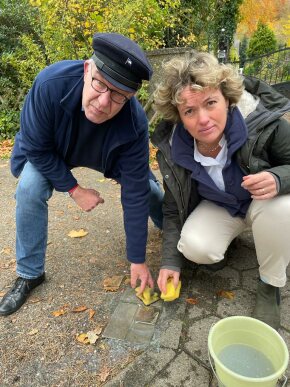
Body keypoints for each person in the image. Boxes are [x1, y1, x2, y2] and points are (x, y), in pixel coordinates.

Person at [0, 32, 163, 317]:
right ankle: (30, 274)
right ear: (88, 69)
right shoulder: (50, 83)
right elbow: (36, 149)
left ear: (132, 96)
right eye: (99, 84)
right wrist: (75, 190)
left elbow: (135, 192)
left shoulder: (135, 123)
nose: (103, 102)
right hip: (53, 151)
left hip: (107, 156)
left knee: (150, 191)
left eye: (118, 96)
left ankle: (173, 234)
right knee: (29, 187)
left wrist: (137, 259)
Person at [152, 51, 290, 330]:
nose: (202, 119)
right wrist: (170, 262)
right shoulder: (173, 148)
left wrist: (278, 178)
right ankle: (231, 240)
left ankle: (269, 284)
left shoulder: (264, 123)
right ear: (178, 116)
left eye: (210, 103)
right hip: (221, 206)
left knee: (282, 208)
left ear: (227, 100)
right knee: (195, 247)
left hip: (263, 203)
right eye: (189, 111)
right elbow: (171, 207)